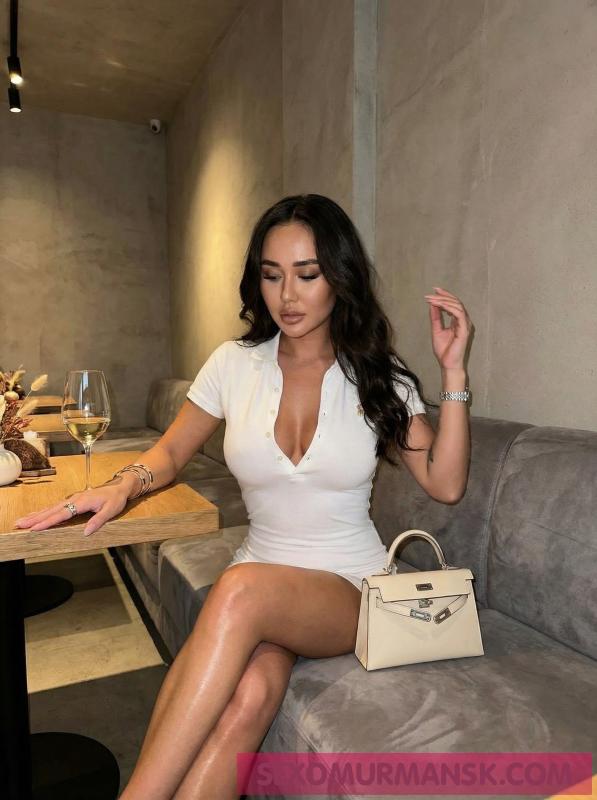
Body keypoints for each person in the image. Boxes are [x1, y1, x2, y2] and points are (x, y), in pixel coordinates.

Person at [14, 194, 474, 799]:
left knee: (238, 588)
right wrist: (120, 486)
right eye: (272, 275)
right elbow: (170, 453)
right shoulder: (234, 364)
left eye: (307, 275)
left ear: (340, 278)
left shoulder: (376, 375)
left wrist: (453, 373)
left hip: (347, 585)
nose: (288, 296)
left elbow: (445, 483)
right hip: (259, 575)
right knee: (249, 697)